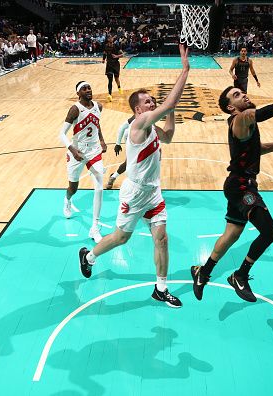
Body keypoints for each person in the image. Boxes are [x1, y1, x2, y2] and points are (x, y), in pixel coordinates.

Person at [191, 46, 273, 302]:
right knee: (269, 232)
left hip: (238, 184)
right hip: (242, 187)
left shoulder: (243, 124)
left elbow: (259, 149)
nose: (243, 95)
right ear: (230, 108)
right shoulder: (242, 117)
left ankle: (203, 271)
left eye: (242, 92)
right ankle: (240, 275)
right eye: (236, 95)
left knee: (232, 234)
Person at [79, 45, 191, 308]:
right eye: (147, 102)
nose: (152, 103)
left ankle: (161, 288)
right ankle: (90, 256)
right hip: (135, 193)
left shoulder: (151, 127)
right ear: (138, 110)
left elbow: (170, 136)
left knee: (162, 238)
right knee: (121, 237)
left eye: (153, 100)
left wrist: (168, 111)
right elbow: (171, 102)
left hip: (153, 192)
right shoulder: (138, 125)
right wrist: (184, 70)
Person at [59, 81, 107, 242]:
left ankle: (95, 226)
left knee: (99, 185)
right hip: (77, 151)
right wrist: (72, 149)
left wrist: (101, 140)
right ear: (78, 93)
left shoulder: (98, 106)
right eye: (84, 89)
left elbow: (96, 124)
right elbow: (62, 134)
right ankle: (67, 199)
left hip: (93, 150)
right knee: (73, 187)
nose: (88, 90)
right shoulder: (74, 109)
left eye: (89, 88)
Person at [106, 97, 157, 190]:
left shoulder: (153, 116)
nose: (153, 105)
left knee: (140, 161)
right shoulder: (139, 115)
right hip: (131, 137)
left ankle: (116, 177)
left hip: (142, 139)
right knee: (131, 162)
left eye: (154, 104)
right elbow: (122, 127)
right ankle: (115, 178)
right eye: (150, 103)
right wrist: (117, 144)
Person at [102, 35, 123, 101]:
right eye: (109, 38)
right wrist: (103, 59)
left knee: (116, 78)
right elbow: (104, 53)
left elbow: (122, 55)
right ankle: (110, 94)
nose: (111, 39)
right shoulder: (106, 46)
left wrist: (116, 56)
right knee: (110, 79)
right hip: (109, 64)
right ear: (108, 39)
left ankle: (119, 87)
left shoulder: (116, 45)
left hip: (116, 64)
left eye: (111, 37)